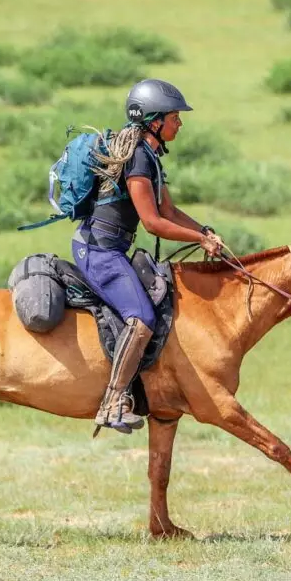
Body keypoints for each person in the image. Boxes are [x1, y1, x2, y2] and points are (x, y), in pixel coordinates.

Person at [72, 78, 225, 434]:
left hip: (112, 249)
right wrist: (199, 241)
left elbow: (169, 210)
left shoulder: (150, 154)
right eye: (175, 117)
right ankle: (111, 405)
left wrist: (204, 232)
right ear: (154, 120)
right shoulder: (138, 158)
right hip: (99, 251)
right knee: (141, 318)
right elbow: (154, 223)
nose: (180, 123)